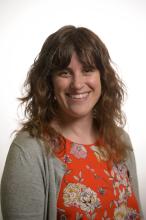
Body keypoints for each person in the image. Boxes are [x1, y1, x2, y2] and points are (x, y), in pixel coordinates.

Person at [1, 25, 143, 220]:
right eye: (64, 73)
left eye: (87, 70)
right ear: (48, 81)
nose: (77, 84)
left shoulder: (120, 140)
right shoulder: (28, 150)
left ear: (103, 77)